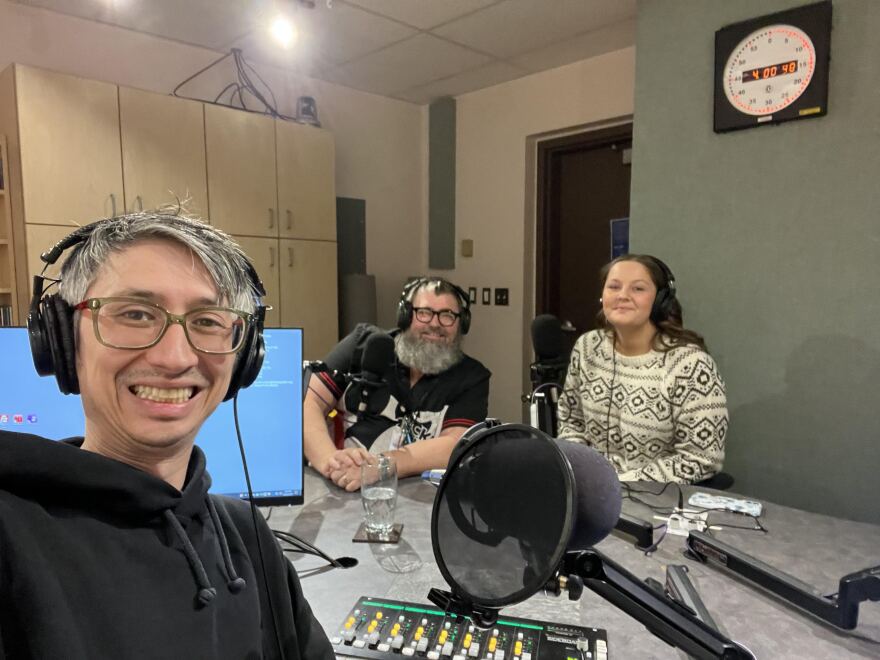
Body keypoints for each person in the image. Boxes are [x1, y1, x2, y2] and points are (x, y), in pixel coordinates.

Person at [0, 213, 333, 659]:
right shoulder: (11, 537)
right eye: (135, 314)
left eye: (208, 320)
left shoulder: (247, 533)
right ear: (62, 340)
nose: (175, 358)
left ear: (244, 357)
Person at [304, 277, 491, 491]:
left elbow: (454, 444)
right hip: (338, 487)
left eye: (447, 315)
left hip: (417, 498)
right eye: (424, 312)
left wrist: (380, 466)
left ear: (461, 324)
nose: (435, 324)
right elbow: (308, 402)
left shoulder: (471, 377)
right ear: (406, 316)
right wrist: (330, 461)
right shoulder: (362, 344)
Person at [556, 254, 727, 484]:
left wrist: (621, 483)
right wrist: (581, 472)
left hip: (657, 495)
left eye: (638, 289)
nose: (622, 295)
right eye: (614, 287)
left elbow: (702, 458)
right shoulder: (588, 347)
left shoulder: (690, 365)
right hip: (591, 488)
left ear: (660, 301)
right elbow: (571, 421)